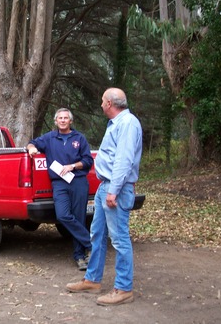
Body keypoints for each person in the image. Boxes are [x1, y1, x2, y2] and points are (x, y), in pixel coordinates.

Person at [65, 87, 143, 306]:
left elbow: (124, 160)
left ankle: (124, 289)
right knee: (96, 234)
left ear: (109, 103)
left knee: (119, 239)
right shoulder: (117, 124)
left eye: (102, 101)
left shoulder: (127, 124)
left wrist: (114, 190)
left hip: (115, 189)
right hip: (105, 186)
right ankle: (92, 280)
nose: (100, 104)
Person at [27, 108, 93, 270]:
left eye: (66, 118)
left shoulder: (79, 138)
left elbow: (88, 160)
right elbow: (33, 143)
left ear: (70, 121)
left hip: (78, 181)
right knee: (63, 216)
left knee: (79, 218)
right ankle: (90, 244)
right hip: (59, 183)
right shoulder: (50, 138)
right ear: (55, 121)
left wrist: (72, 166)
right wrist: (31, 148)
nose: (63, 120)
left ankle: (79, 256)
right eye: (60, 118)